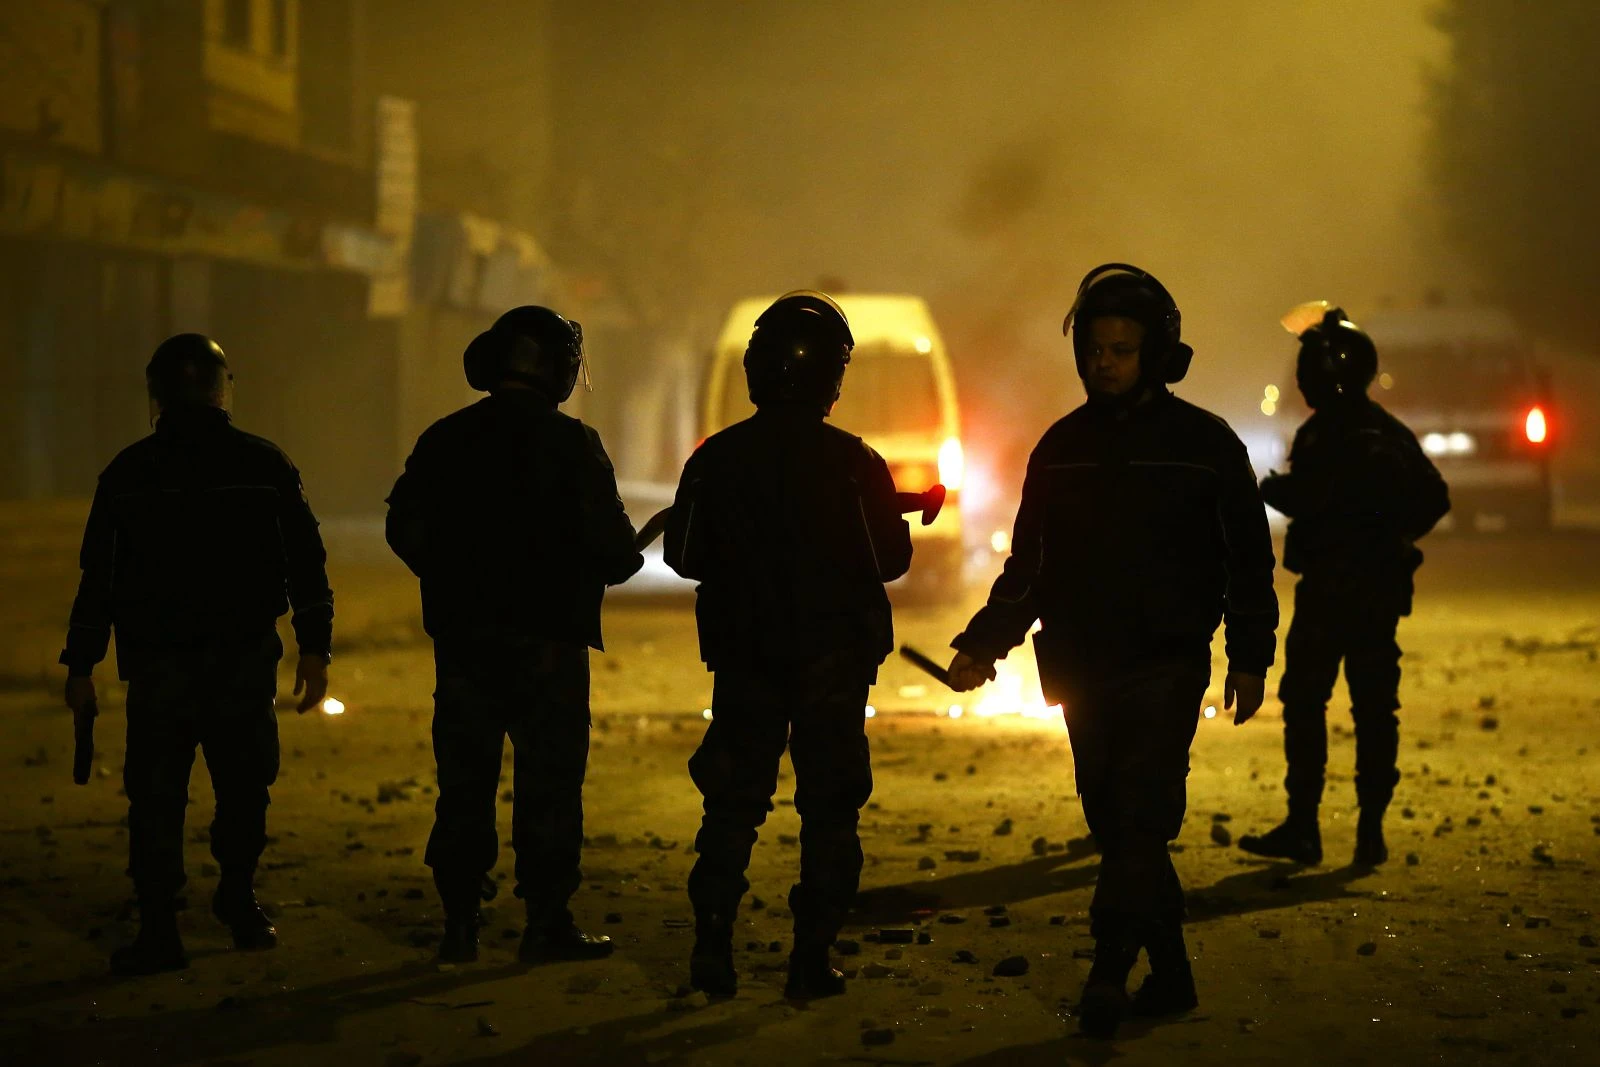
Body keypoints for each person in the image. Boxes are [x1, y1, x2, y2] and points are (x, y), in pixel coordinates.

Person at [944, 264, 1279, 1038]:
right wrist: (983, 645)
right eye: (1095, 349)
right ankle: (1171, 972)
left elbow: (1248, 563)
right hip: (1081, 664)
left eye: (1122, 350)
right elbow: (1029, 569)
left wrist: (1250, 656)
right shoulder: (1061, 449)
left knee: (1140, 815)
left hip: (1167, 663)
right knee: (1116, 821)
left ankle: (1106, 971)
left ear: (1156, 353)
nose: (1105, 363)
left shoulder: (1206, 446)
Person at [664, 291, 912, 1000]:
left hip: (746, 656)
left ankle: (713, 945)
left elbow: (683, 553)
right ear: (832, 376)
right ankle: (811, 957)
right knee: (830, 809)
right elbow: (890, 560)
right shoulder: (855, 461)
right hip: (834, 660)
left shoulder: (717, 458)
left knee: (731, 804)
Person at [60, 333, 333, 976]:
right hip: (241, 662)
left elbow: (98, 579)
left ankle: (161, 927)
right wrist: (314, 648)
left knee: (156, 797)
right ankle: (237, 900)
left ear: (155, 394)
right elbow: (306, 562)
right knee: (244, 786)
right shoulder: (263, 464)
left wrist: (81, 665)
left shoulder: (128, 472)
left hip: (159, 667)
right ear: (222, 389)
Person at [385, 306, 642, 964]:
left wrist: (452, 580)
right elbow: (616, 552)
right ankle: (546, 922)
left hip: (464, 644)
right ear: (556, 368)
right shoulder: (574, 444)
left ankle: (459, 923)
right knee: (549, 784)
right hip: (550, 645)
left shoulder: (446, 438)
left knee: (463, 782)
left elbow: (404, 529)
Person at [1239, 304, 1449, 868]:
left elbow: (1312, 498)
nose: (1301, 381)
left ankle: (1304, 827)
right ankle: (1368, 833)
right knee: (1374, 711)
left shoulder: (1324, 433)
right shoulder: (1386, 430)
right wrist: (1394, 537)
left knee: (1306, 704)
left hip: (1330, 593)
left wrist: (1270, 490)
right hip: (1376, 594)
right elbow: (1434, 496)